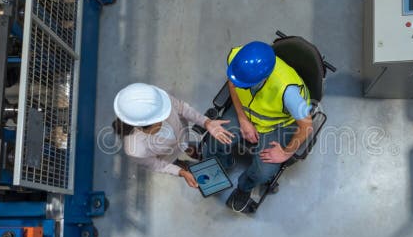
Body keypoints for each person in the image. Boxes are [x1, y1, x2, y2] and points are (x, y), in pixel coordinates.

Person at [206, 41, 313, 213]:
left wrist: (286, 152)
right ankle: (223, 163)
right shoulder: (236, 58)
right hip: (246, 111)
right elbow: (233, 83)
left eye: (245, 84)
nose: (238, 84)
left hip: (276, 123)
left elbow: (307, 126)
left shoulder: (288, 92)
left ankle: (244, 188)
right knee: (216, 139)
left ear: (263, 78)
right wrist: (242, 119)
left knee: (263, 171)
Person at [113, 83, 233, 188]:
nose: (166, 114)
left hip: (182, 137)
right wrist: (180, 172)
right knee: (173, 160)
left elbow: (182, 108)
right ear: (144, 126)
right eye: (161, 118)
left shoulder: (159, 100)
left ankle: (187, 148)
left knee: (185, 144)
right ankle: (179, 163)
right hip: (167, 156)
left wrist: (206, 122)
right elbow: (157, 164)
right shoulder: (135, 149)